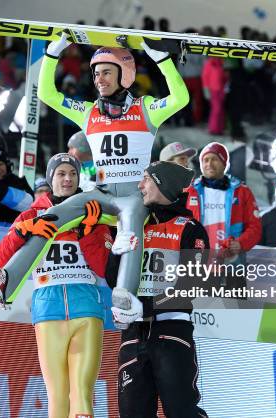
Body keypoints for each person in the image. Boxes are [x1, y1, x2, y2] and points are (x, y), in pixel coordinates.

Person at [0, 34, 190, 320]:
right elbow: (47, 95)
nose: (99, 79)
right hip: (102, 194)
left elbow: (181, 98)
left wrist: (162, 60)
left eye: (106, 72)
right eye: (95, 73)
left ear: (126, 75)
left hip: (135, 196)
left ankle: (125, 302)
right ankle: (6, 282)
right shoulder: (89, 112)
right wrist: (53, 53)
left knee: (131, 227)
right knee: (50, 217)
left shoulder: (145, 109)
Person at [0, 153, 112, 418]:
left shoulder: (92, 213)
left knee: (82, 393)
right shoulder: (31, 214)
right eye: (61, 174)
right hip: (47, 310)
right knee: (57, 398)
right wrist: (21, 232)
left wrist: (88, 233)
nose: (67, 179)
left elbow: (105, 270)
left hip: (86, 308)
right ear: (51, 177)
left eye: (73, 174)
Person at [107, 161, 210, 418]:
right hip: (134, 333)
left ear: (163, 184)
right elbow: (113, 279)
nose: (140, 186)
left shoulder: (190, 229)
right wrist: (115, 253)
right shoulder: (135, 226)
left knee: (182, 412)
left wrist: (146, 306)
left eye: (146, 179)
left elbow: (191, 285)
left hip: (171, 332)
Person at [187, 142, 261, 256]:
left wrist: (240, 243)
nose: (209, 164)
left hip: (231, 262)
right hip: (197, 262)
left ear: (224, 163)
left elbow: (255, 226)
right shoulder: (190, 192)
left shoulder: (242, 191)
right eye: (205, 160)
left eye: (214, 159)